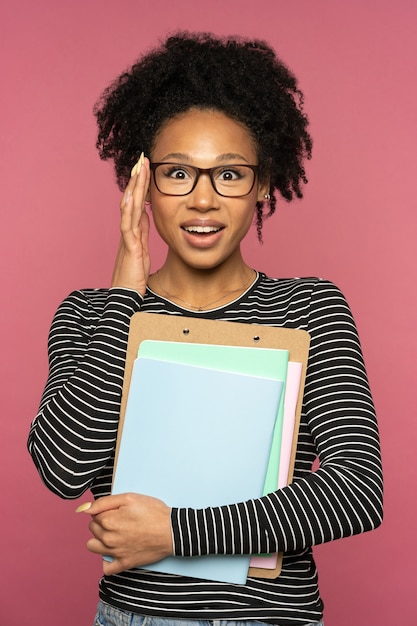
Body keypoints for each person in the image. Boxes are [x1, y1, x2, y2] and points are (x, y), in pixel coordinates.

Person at [27, 32, 383, 626]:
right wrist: (124, 300)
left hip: (271, 619)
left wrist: (175, 532)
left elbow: (356, 492)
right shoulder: (89, 313)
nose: (202, 200)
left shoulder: (309, 308)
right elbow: (65, 470)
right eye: (177, 173)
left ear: (264, 183)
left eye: (230, 175)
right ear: (141, 181)